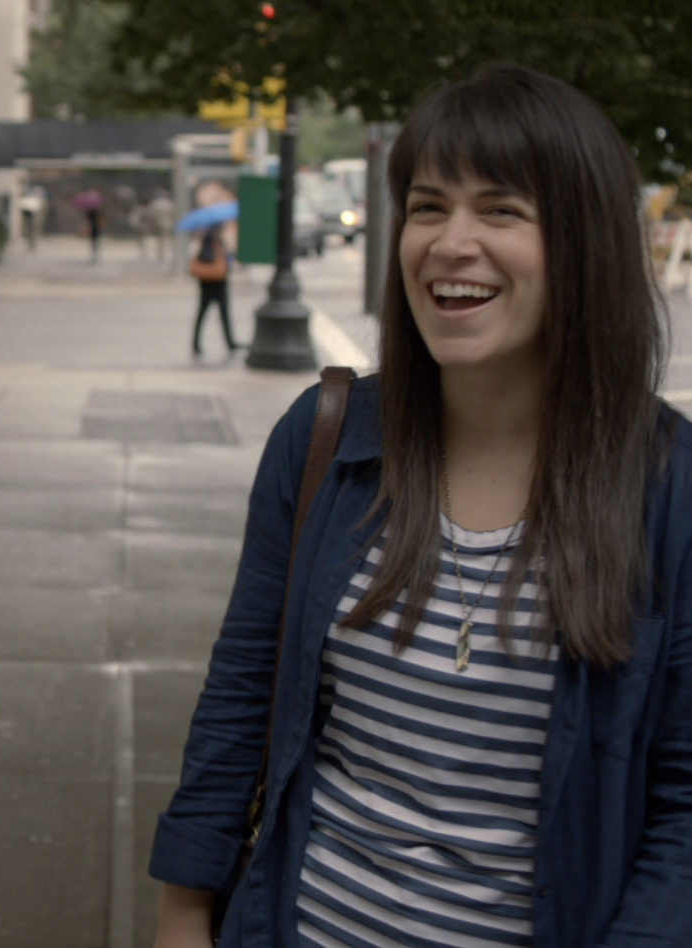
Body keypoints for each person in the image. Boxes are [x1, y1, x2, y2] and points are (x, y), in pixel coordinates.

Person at [149, 63, 692, 948]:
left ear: (585, 243)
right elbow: (243, 694)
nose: (449, 242)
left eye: (501, 210)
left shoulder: (669, 494)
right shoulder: (326, 439)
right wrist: (182, 915)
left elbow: (683, 811)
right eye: (430, 206)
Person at [189, 224, 237, 357]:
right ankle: (228, 342)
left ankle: (197, 344)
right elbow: (210, 259)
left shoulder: (209, 241)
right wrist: (223, 252)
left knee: (205, 315)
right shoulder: (213, 242)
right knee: (220, 315)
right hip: (216, 285)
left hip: (208, 285)